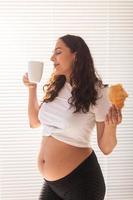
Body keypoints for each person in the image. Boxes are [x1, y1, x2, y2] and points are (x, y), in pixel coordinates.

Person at [22, 34, 122, 200]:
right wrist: (32, 87)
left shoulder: (99, 92)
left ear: (76, 55)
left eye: (58, 52)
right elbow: (34, 122)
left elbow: (106, 148)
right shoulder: (56, 87)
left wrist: (112, 126)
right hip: (53, 184)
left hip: (82, 183)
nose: (52, 57)